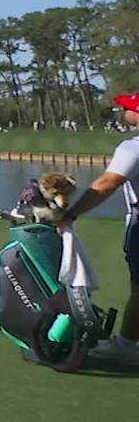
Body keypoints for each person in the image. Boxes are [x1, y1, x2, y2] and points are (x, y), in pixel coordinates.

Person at [54, 93, 139, 366]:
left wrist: (71, 213)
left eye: (129, 107)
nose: (124, 109)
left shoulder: (132, 147)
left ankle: (126, 346)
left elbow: (106, 184)